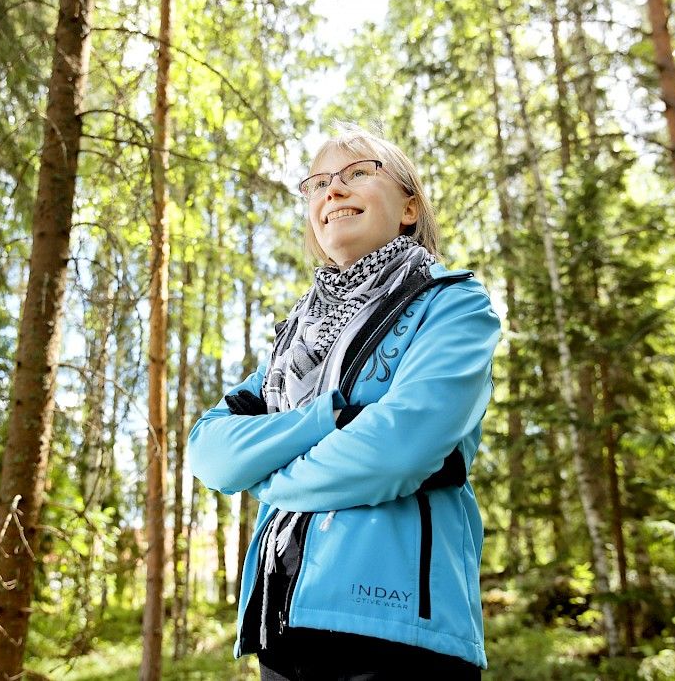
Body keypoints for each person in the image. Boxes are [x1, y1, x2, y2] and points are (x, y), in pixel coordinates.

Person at [188, 123, 501, 680]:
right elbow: (210, 453)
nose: (333, 190)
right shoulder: (295, 342)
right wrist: (326, 418)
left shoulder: (454, 307)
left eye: (358, 173)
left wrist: (268, 482)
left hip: (400, 633)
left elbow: (396, 451)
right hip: (281, 632)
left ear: (409, 206)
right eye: (319, 182)